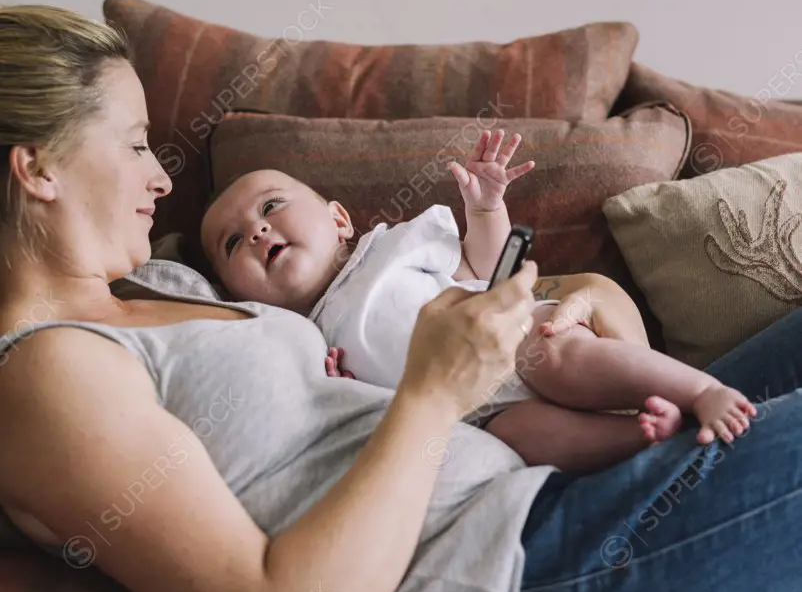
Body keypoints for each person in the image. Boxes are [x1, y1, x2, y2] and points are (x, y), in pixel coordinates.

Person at [0, 6, 801, 592]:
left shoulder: (164, 279)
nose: (161, 178)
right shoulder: (45, 376)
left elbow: (527, 291)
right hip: (529, 568)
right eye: (137, 145)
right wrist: (432, 395)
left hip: (557, 477)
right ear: (37, 169)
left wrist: (590, 304)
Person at [199, 131, 756, 472]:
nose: (256, 231)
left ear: (339, 220)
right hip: (478, 416)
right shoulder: (300, 339)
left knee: (560, 357)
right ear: (235, 292)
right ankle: (641, 438)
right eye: (232, 242)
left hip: (515, 341)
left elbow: (485, 267)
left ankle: (701, 389)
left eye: (272, 206)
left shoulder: (391, 247)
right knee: (523, 440)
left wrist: (487, 208)